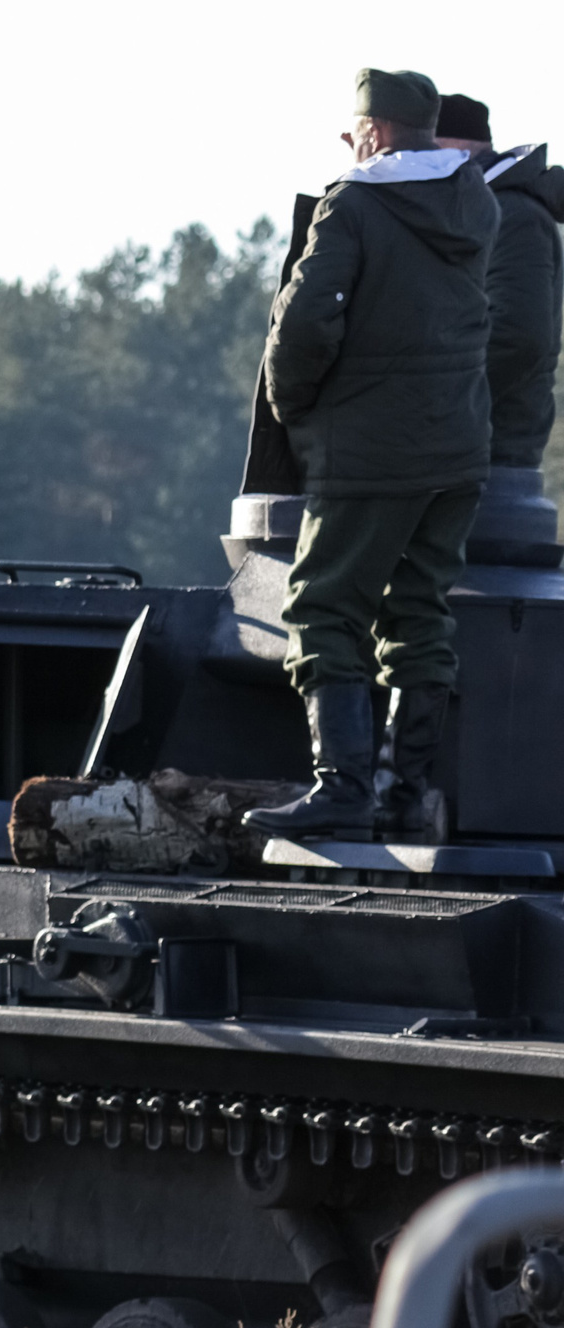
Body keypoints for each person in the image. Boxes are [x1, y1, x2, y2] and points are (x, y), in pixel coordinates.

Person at [242, 69, 499, 845]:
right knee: (419, 611)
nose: (350, 145)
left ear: (376, 132)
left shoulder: (353, 203)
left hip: (370, 451)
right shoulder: (475, 201)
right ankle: (402, 791)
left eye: (355, 132)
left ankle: (342, 788)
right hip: (459, 446)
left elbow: (306, 320)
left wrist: (293, 408)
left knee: (322, 604)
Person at [436, 95, 564, 477]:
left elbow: (518, 335)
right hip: (467, 448)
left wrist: (434, 402)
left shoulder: (511, 216)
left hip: (494, 455)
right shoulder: (486, 211)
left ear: (453, 147)